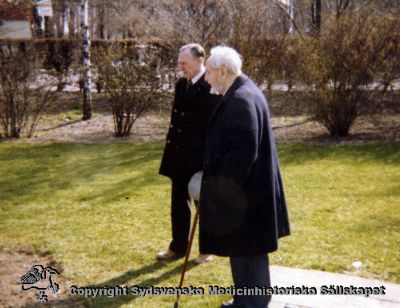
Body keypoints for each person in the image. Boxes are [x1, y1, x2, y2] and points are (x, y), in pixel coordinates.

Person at [200, 46, 290, 307]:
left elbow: (243, 155)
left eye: (209, 73)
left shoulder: (240, 99)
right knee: (246, 250)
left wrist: (221, 190)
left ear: (223, 71)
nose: (206, 78)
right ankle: (248, 300)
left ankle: (251, 304)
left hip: (247, 195)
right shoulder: (242, 91)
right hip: (250, 193)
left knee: (247, 250)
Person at [158, 43, 218, 264]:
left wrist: (210, 158)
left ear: (200, 60)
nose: (181, 68)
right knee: (178, 205)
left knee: (205, 205)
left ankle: (207, 250)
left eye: (185, 63)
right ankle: (178, 247)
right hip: (179, 156)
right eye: (180, 63)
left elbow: (214, 125)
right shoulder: (181, 85)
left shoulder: (210, 85)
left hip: (201, 157)